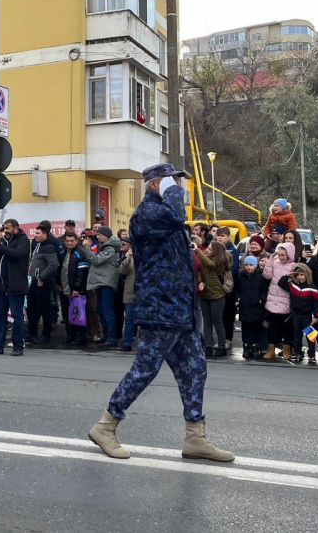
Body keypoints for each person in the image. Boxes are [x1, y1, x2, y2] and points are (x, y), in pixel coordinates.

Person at [87, 164, 232, 462]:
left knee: (194, 370)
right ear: (156, 184)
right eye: (174, 180)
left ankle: (195, 437)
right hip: (160, 308)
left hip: (180, 308)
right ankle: (106, 426)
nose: (180, 186)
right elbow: (176, 214)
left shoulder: (163, 215)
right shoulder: (148, 214)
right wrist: (172, 190)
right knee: (145, 368)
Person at [0, 219, 30, 356]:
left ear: (16, 228)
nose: (5, 230)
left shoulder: (23, 240)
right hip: (1, 284)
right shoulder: (3, 240)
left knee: (17, 316)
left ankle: (18, 346)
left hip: (15, 284)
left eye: (7, 228)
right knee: (0, 316)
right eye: (4, 228)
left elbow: (17, 254)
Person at [277, 263, 318, 364]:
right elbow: (281, 283)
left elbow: (317, 303)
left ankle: (311, 354)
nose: (300, 277)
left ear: (307, 275)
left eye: (302, 274)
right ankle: (298, 353)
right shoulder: (293, 285)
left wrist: (316, 316)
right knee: (296, 335)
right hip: (296, 314)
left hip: (307, 315)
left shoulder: (313, 288)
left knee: (311, 335)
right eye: (298, 275)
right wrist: (288, 275)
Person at [195, 240, 232, 358]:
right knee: (207, 322)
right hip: (205, 294)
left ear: (216, 252)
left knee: (217, 322)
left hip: (217, 296)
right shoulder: (204, 258)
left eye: (210, 249)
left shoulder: (221, 262)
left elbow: (209, 264)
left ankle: (222, 347)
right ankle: (208, 347)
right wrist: (200, 281)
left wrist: (197, 250)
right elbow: (199, 270)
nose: (207, 250)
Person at [262, 243, 296, 361]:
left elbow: (293, 283)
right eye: (279, 255)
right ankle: (271, 349)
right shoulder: (275, 263)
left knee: (287, 327)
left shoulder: (294, 266)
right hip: (272, 300)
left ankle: (287, 348)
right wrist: (270, 262)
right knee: (273, 327)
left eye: (283, 255)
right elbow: (267, 276)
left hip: (286, 300)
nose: (281, 257)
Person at [26, 224, 58, 345]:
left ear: (45, 234)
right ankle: (32, 333)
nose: (35, 235)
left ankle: (46, 335)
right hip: (33, 281)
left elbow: (53, 264)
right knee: (31, 308)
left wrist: (42, 277)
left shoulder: (49, 247)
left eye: (38, 233)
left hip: (43, 283)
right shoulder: (38, 245)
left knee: (45, 309)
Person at [89, 226, 121, 348]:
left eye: (99, 235)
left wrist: (87, 249)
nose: (97, 237)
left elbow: (96, 260)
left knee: (107, 311)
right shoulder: (104, 247)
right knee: (100, 310)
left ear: (106, 236)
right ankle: (106, 335)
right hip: (100, 282)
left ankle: (112, 338)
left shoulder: (111, 248)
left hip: (107, 282)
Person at [60, 232, 92, 347]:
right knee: (67, 313)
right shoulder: (62, 252)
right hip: (64, 288)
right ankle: (70, 335)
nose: (69, 243)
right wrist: (58, 284)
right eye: (67, 241)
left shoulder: (80, 253)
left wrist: (77, 288)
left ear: (76, 241)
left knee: (79, 313)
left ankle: (81, 336)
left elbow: (82, 273)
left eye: (71, 241)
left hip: (76, 290)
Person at [236, 256, 268, 359]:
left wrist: (261, 299)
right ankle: (246, 348)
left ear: (255, 265)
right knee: (245, 329)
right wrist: (238, 298)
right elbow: (236, 289)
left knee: (255, 329)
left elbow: (264, 290)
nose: (248, 267)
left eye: (251, 265)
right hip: (244, 306)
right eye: (246, 265)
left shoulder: (260, 277)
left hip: (256, 307)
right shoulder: (240, 277)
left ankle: (255, 348)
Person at [215, 227, 239, 350]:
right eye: (218, 235)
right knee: (218, 316)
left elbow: (233, 269)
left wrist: (221, 270)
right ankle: (220, 339)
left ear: (228, 237)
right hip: (215, 287)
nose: (219, 237)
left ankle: (228, 339)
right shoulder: (213, 249)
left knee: (228, 315)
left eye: (223, 235)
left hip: (228, 289)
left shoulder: (233, 251)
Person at [116, 237, 136, 351]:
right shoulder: (128, 257)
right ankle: (127, 342)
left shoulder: (145, 255)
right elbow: (122, 271)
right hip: (130, 291)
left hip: (143, 293)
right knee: (129, 318)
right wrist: (128, 259)